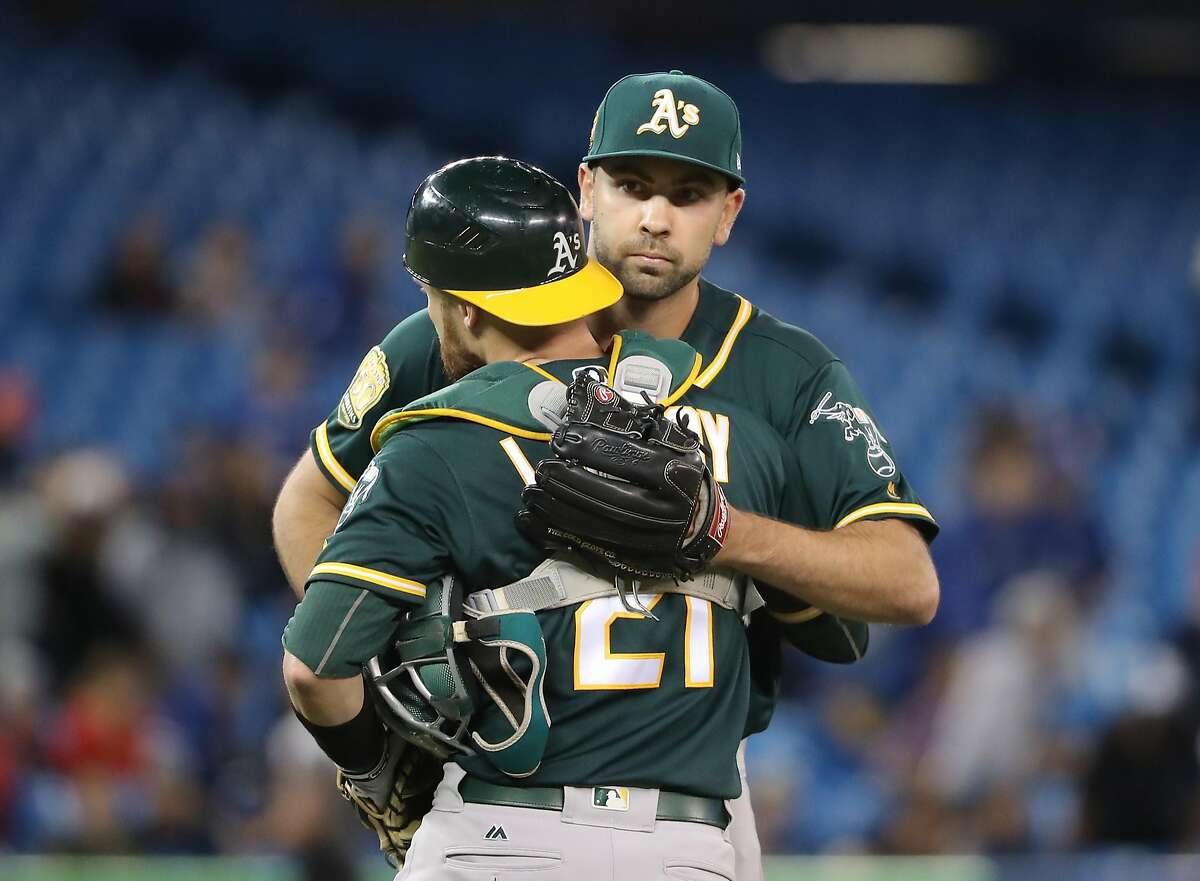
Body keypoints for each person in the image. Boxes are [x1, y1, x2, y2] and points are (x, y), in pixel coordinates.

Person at [273, 71, 940, 877]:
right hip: (496, 772)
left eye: (688, 193)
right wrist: (391, 694)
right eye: (632, 184)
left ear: (729, 212)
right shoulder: (457, 328)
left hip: (690, 778)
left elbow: (908, 581)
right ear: (586, 190)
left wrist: (726, 533)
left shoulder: (785, 372)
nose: (655, 217)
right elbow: (308, 499)